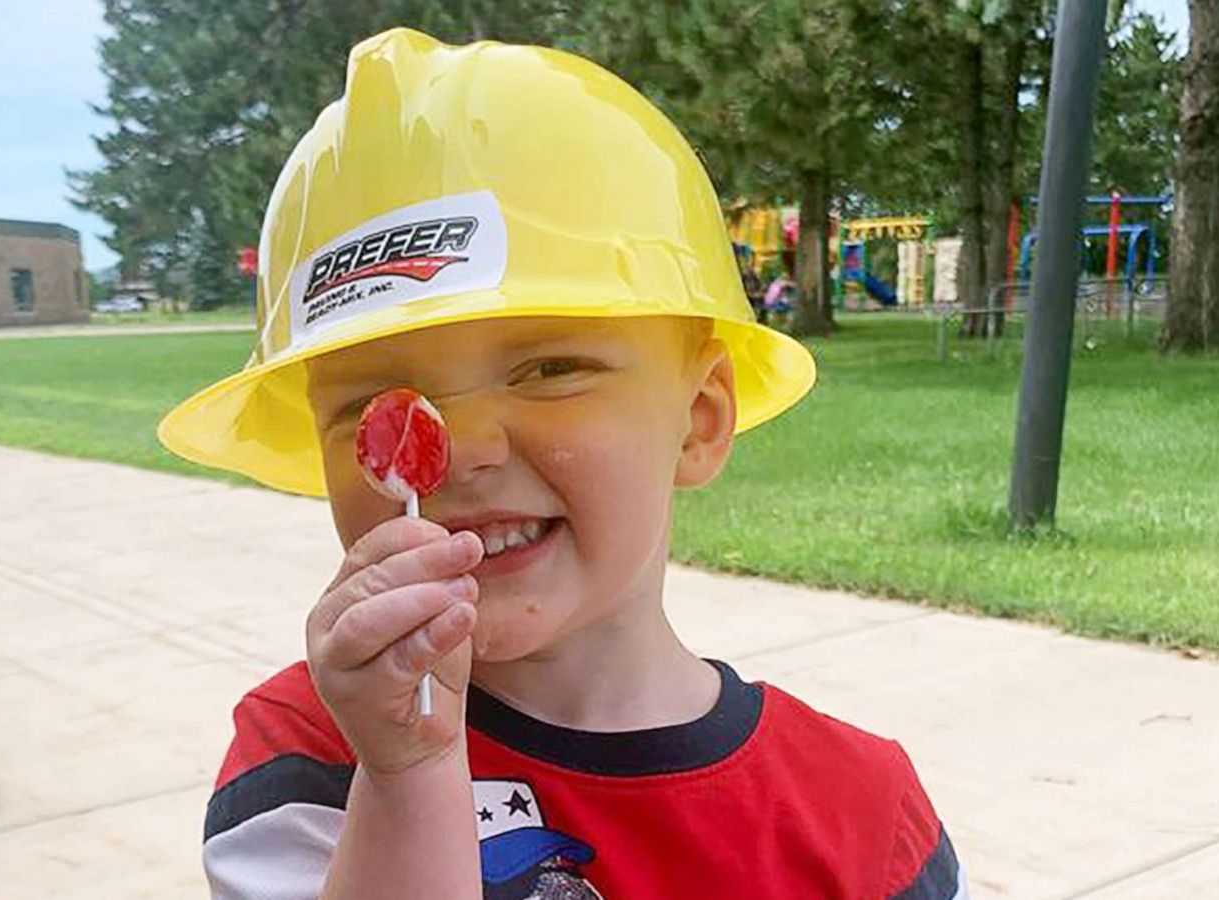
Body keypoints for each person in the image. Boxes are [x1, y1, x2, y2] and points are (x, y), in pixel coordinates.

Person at [158, 28, 969, 900]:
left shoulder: (863, 814)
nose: (457, 450)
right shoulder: (306, 755)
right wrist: (404, 778)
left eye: (549, 370)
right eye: (373, 407)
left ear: (697, 421)